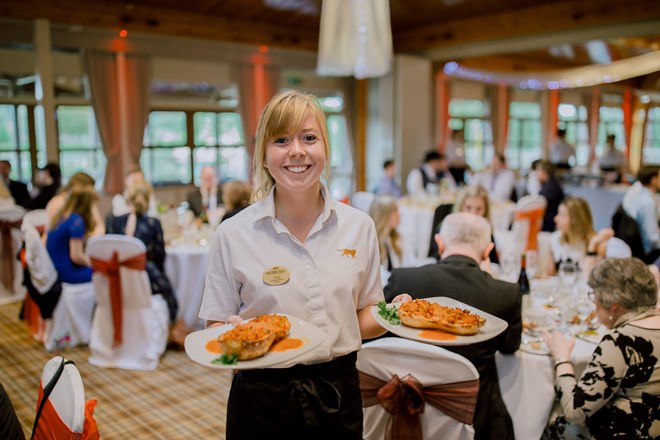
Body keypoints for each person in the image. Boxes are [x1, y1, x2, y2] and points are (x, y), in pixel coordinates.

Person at [199, 90, 402, 439]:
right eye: (281, 140)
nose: (297, 150)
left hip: (337, 393)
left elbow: (363, 318)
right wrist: (229, 333)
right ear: (263, 154)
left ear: (326, 148)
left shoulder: (359, 227)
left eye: (309, 138)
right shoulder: (233, 233)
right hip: (260, 398)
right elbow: (215, 323)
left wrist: (393, 315)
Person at [384, 212, 521, 440]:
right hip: (475, 415)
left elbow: (382, 334)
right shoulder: (506, 294)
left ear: (439, 242)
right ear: (488, 251)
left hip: (405, 405)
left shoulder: (402, 279)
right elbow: (510, 347)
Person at [543, 257, 660, 439]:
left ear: (613, 307)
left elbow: (575, 411)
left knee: (549, 419)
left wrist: (562, 358)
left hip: (623, 431)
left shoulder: (620, 342)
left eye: (594, 296)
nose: (594, 303)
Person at [106, 180, 179, 323]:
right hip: (145, 281)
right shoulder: (153, 223)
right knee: (168, 290)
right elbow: (160, 257)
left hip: (116, 278)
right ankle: (172, 326)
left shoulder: (113, 222)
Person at [428, 184, 499, 265]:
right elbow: (435, 255)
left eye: (479, 209)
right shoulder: (448, 226)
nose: (473, 213)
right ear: (461, 206)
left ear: (485, 210)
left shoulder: (485, 230)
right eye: (468, 207)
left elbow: (493, 261)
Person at [545, 196, 614, 276]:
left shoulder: (597, 243)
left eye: (562, 215)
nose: (556, 218)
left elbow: (590, 279)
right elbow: (549, 275)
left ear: (576, 221)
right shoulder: (555, 239)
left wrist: (592, 246)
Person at [46, 182, 96, 284]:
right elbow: (76, 256)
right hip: (68, 273)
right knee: (108, 272)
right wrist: (94, 263)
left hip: (55, 269)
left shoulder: (61, 217)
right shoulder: (76, 221)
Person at [45, 172, 105, 237]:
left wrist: (89, 237)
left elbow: (100, 226)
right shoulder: (57, 202)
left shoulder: (86, 202)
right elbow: (55, 231)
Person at [622, 165, 660, 263]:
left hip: (634, 248)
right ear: (654, 180)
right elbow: (653, 239)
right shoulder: (648, 203)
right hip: (647, 253)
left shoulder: (635, 192)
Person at [537, 160, 564, 232]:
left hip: (548, 225)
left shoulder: (550, 188)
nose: (537, 174)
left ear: (545, 173)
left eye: (538, 171)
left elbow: (538, 205)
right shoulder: (551, 184)